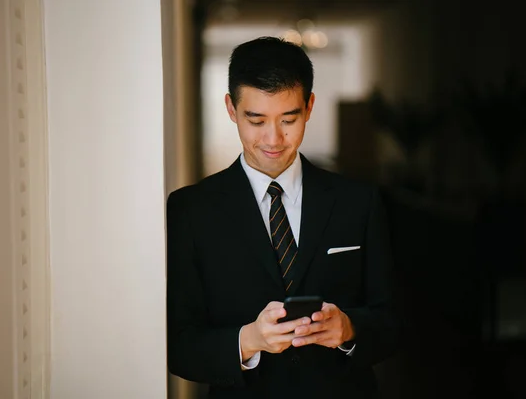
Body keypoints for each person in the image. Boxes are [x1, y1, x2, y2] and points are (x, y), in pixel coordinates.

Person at [167, 36, 399, 398]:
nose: (273, 139)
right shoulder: (191, 210)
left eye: (288, 119)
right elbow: (178, 346)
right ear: (231, 108)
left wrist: (349, 330)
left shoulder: (359, 202)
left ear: (309, 107)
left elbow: (393, 323)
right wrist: (248, 341)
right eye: (256, 120)